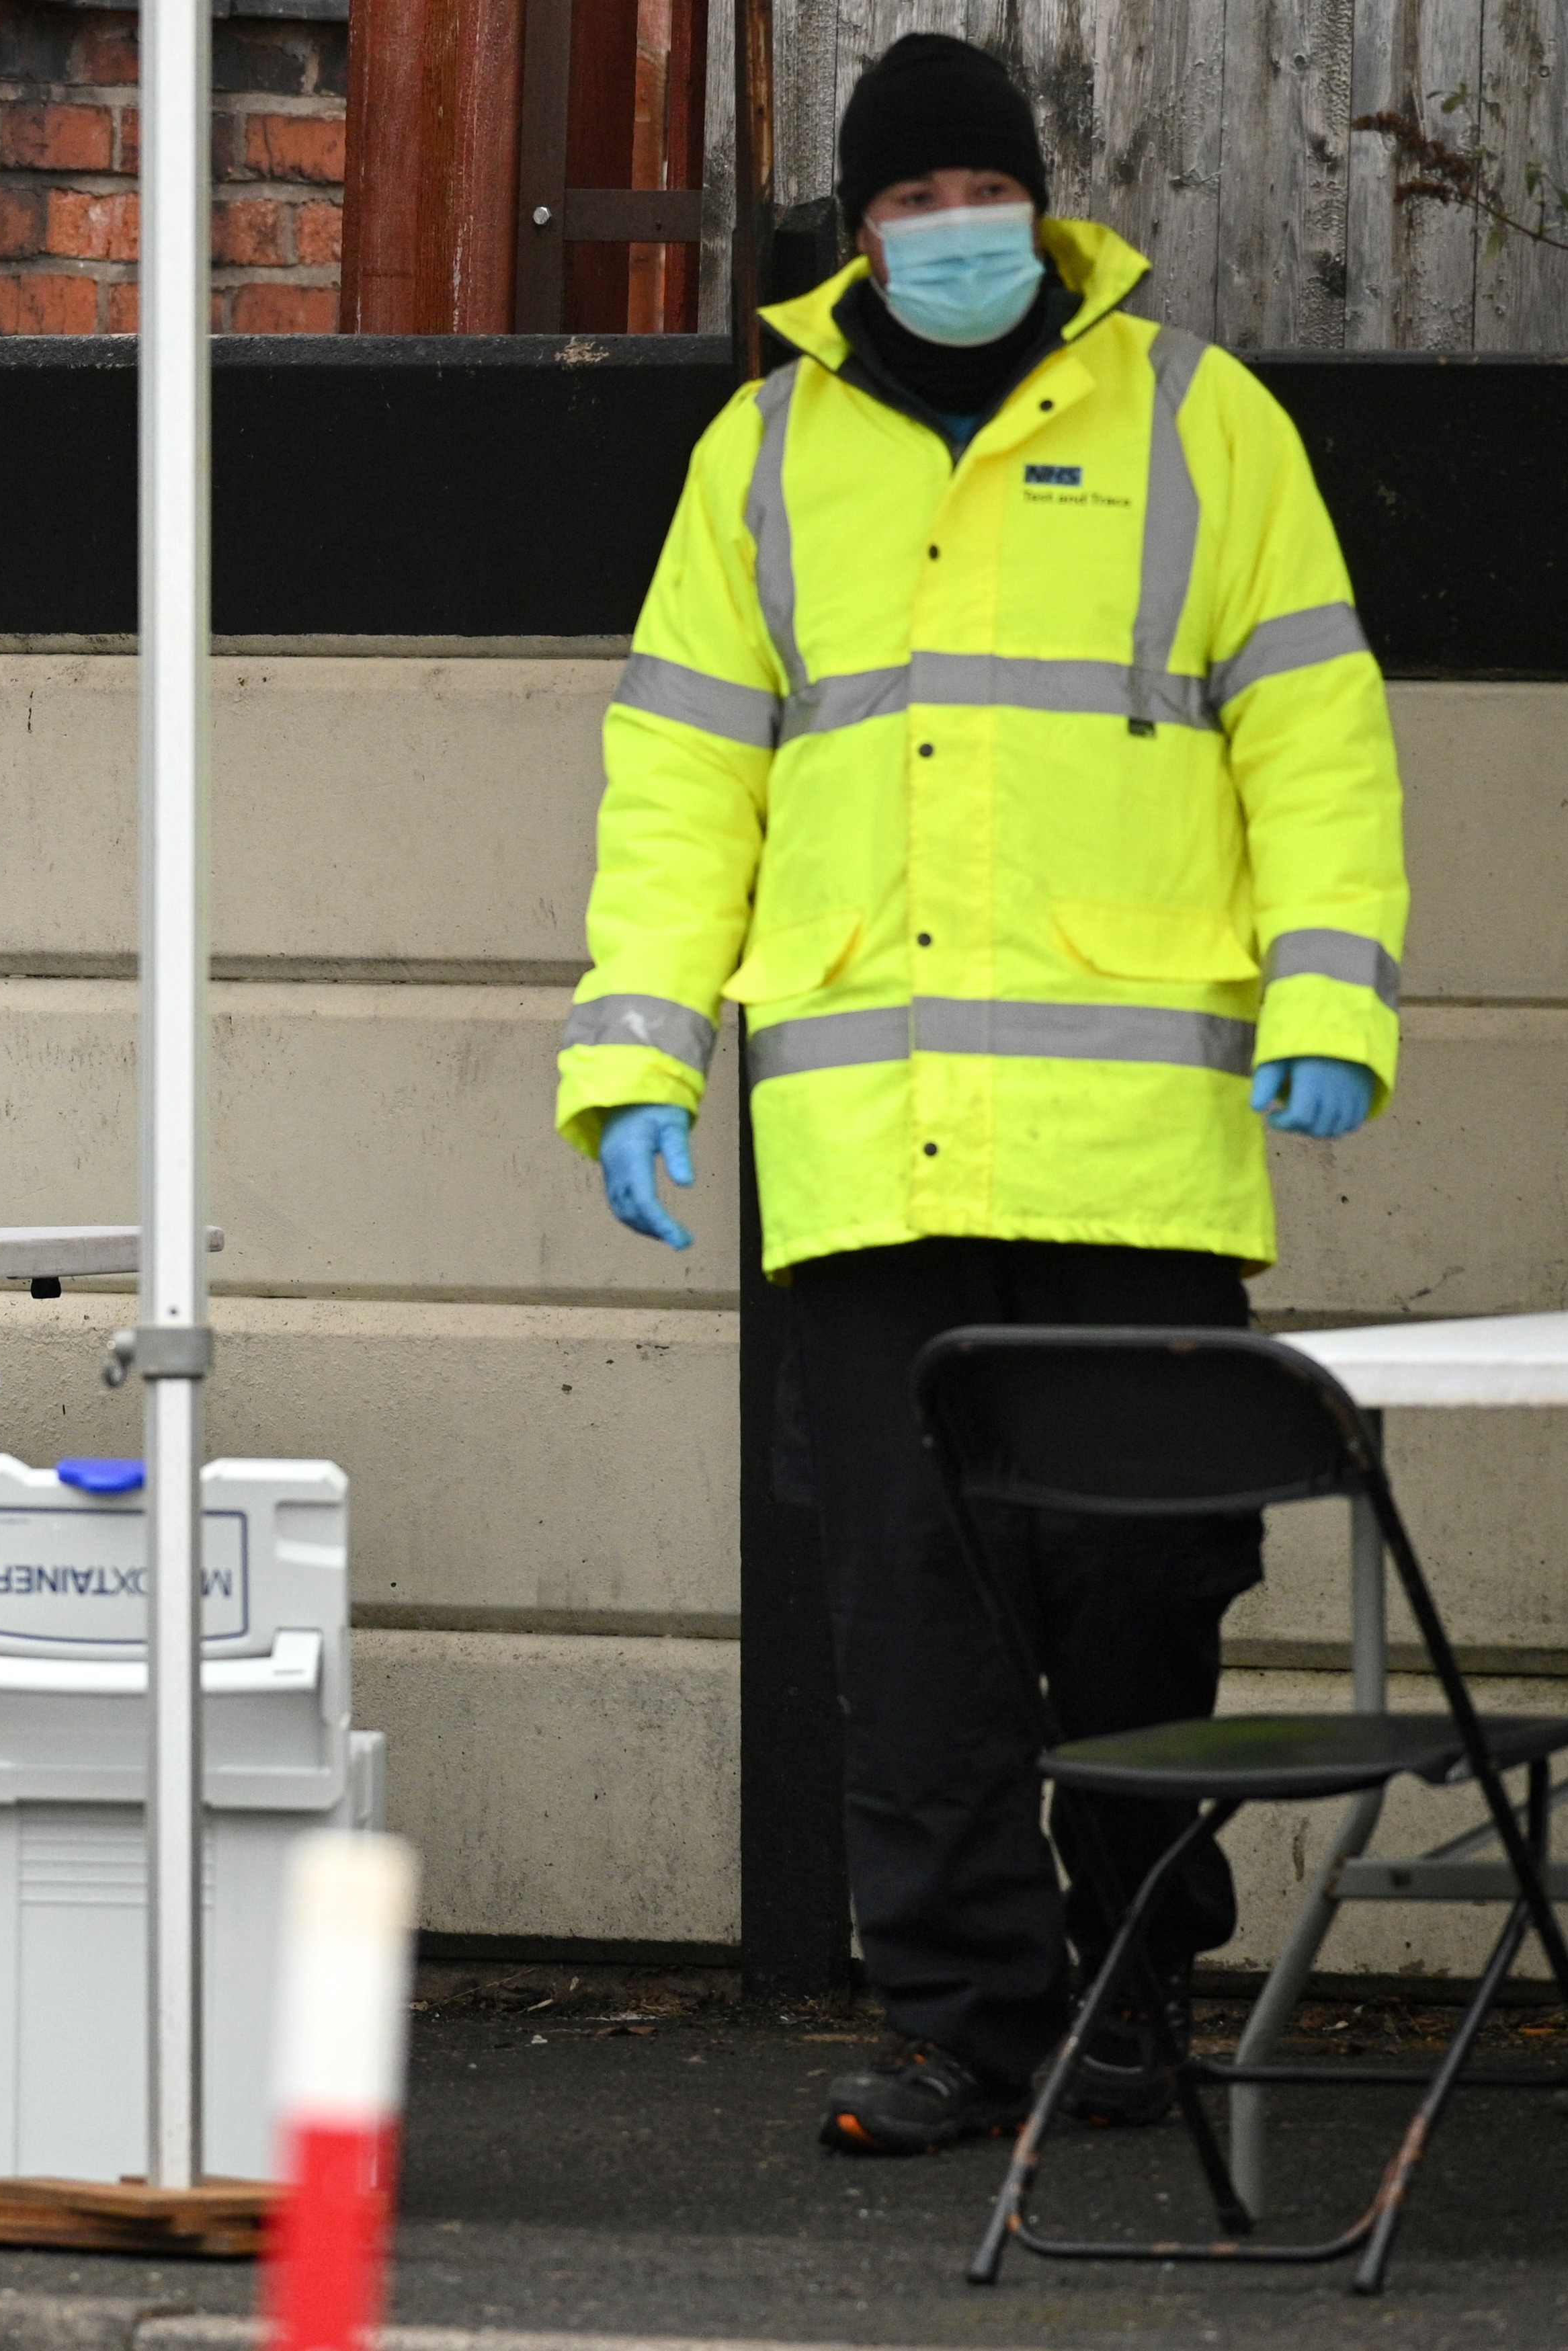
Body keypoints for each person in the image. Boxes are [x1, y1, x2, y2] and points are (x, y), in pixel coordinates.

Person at [556, 34, 1405, 2156]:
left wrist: (1331, 987)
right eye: (910, 203)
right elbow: (678, 786)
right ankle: (961, 2025)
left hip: (1134, 1158)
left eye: (979, 192)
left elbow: (1312, 732)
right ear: (857, 234)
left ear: (1044, 202)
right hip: (864, 1158)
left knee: (1141, 1591)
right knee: (911, 1621)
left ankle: (1134, 2004)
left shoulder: (1203, 424)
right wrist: (635, 1053)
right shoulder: (762, 457)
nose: (951, 230)